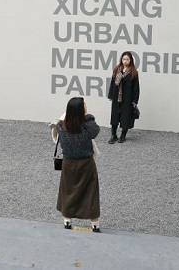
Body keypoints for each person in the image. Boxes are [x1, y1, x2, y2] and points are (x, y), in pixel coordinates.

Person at [56, 97, 101, 232]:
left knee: (68, 191)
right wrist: (88, 116)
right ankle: (95, 223)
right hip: (86, 163)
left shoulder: (61, 127)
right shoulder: (88, 126)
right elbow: (95, 130)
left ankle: (67, 220)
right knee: (91, 192)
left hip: (68, 163)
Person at [107, 51, 140, 144]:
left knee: (125, 117)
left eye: (127, 59)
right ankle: (113, 135)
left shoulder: (133, 72)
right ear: (121, 60)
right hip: (116, 97)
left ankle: (123, 135)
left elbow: (136, 87)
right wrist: (111, 95)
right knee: (114, 116)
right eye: (124, 59)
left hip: (127, 99)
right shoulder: (117, 69)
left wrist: (135, 100)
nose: (125, 61)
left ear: (130, 60)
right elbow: (112, 83)